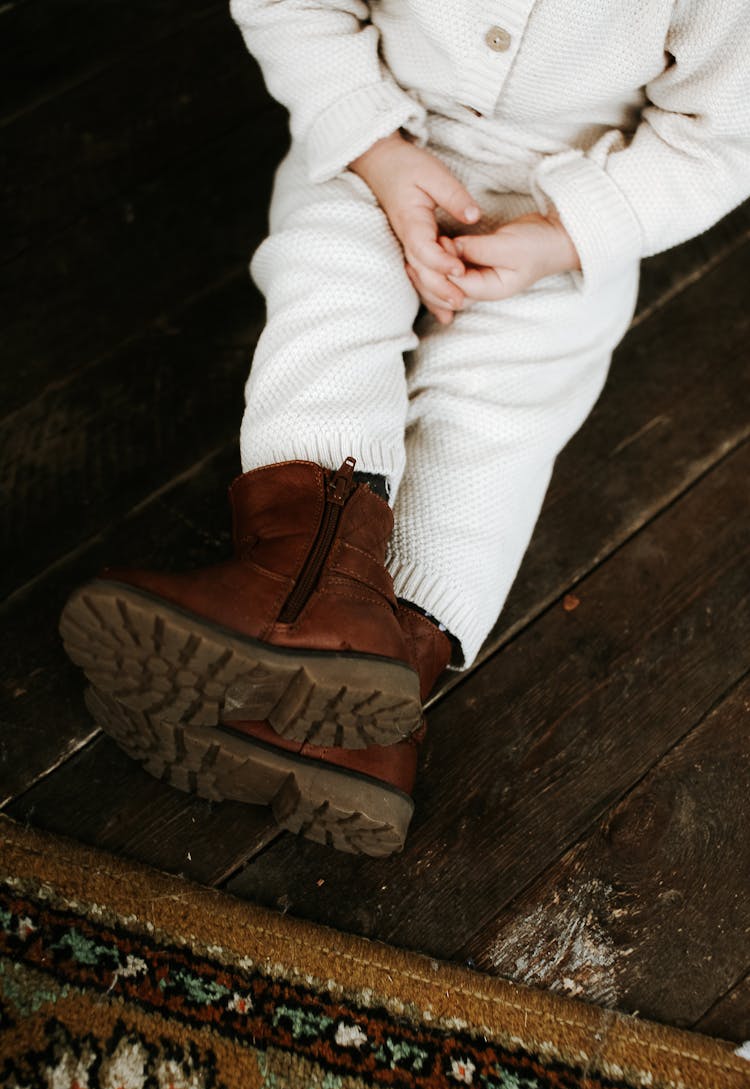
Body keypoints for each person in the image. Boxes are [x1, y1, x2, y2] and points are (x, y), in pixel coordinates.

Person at [60, 0, 750, 857]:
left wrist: (567, 234)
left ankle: (379, 663)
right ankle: (320, 602)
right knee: (334, 287)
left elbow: (724, 132)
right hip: (380, 136)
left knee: (498, 410)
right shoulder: (376, 148)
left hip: (562, 204)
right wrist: (378, 151)